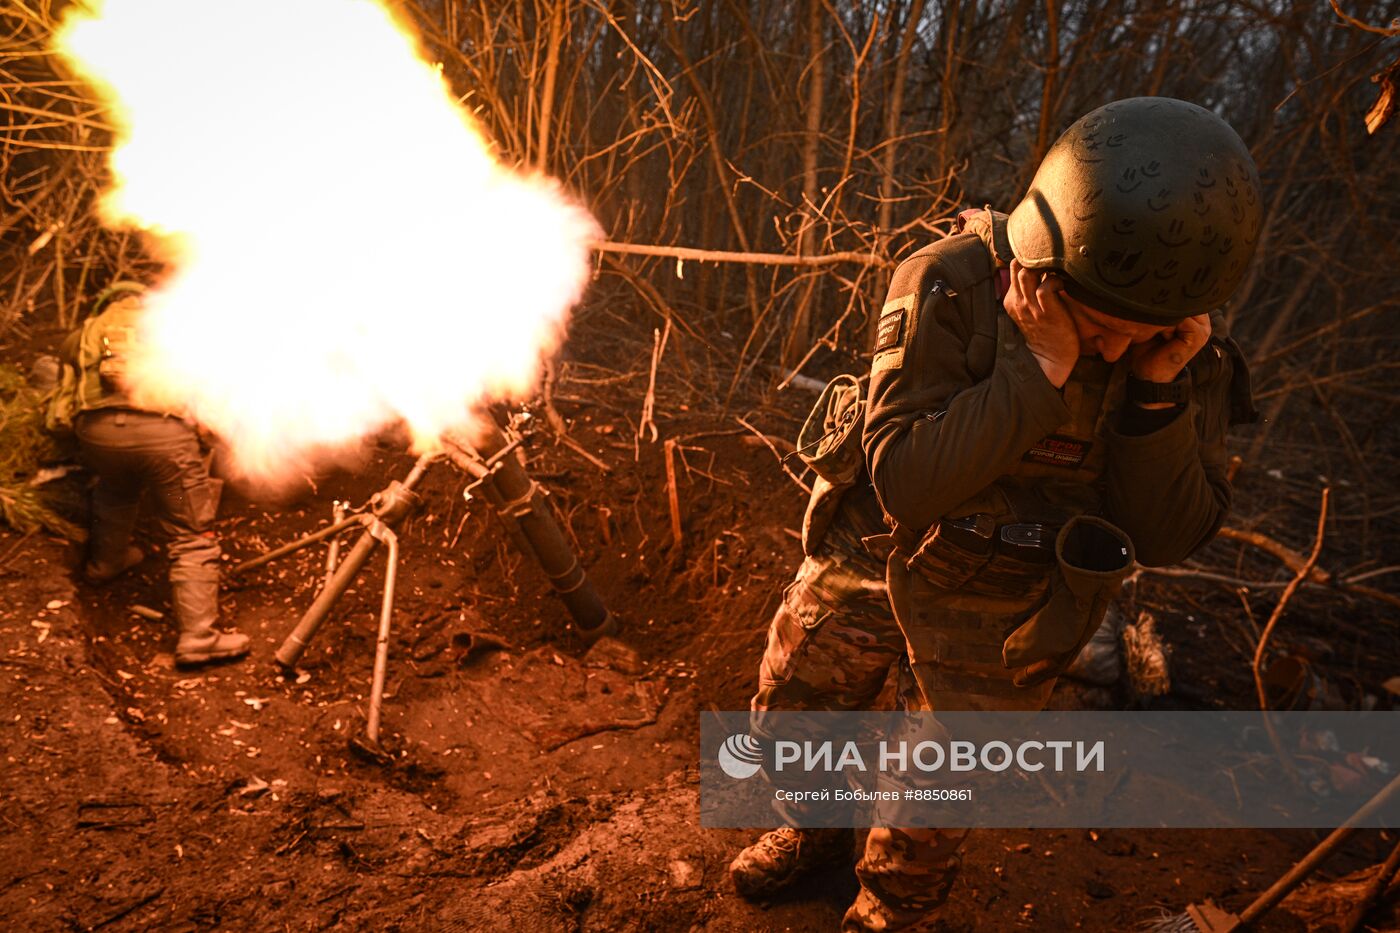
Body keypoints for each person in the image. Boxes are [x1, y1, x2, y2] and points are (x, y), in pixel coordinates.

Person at [728, 97, 1261, 931]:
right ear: (1043, 269)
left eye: (1140, 335)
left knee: (930, 804)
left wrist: (1157, 399)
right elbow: (904, 479)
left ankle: (887, 910)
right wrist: (1037, 372)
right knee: (791, 717)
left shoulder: (1183, 355)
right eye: (1098, 326)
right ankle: (813, 833)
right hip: (881, 550)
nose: (1117, 351)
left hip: (1012, 595)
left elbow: (1165, 535)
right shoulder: (952, 285)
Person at [48, 281, 249, 667]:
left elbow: (67, 380)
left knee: (116, 489)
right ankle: (199, 637)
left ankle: (106, 562)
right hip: (164, 449)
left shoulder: (89, 330)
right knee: (188, 529)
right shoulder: (171, 327)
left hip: (101, 442)